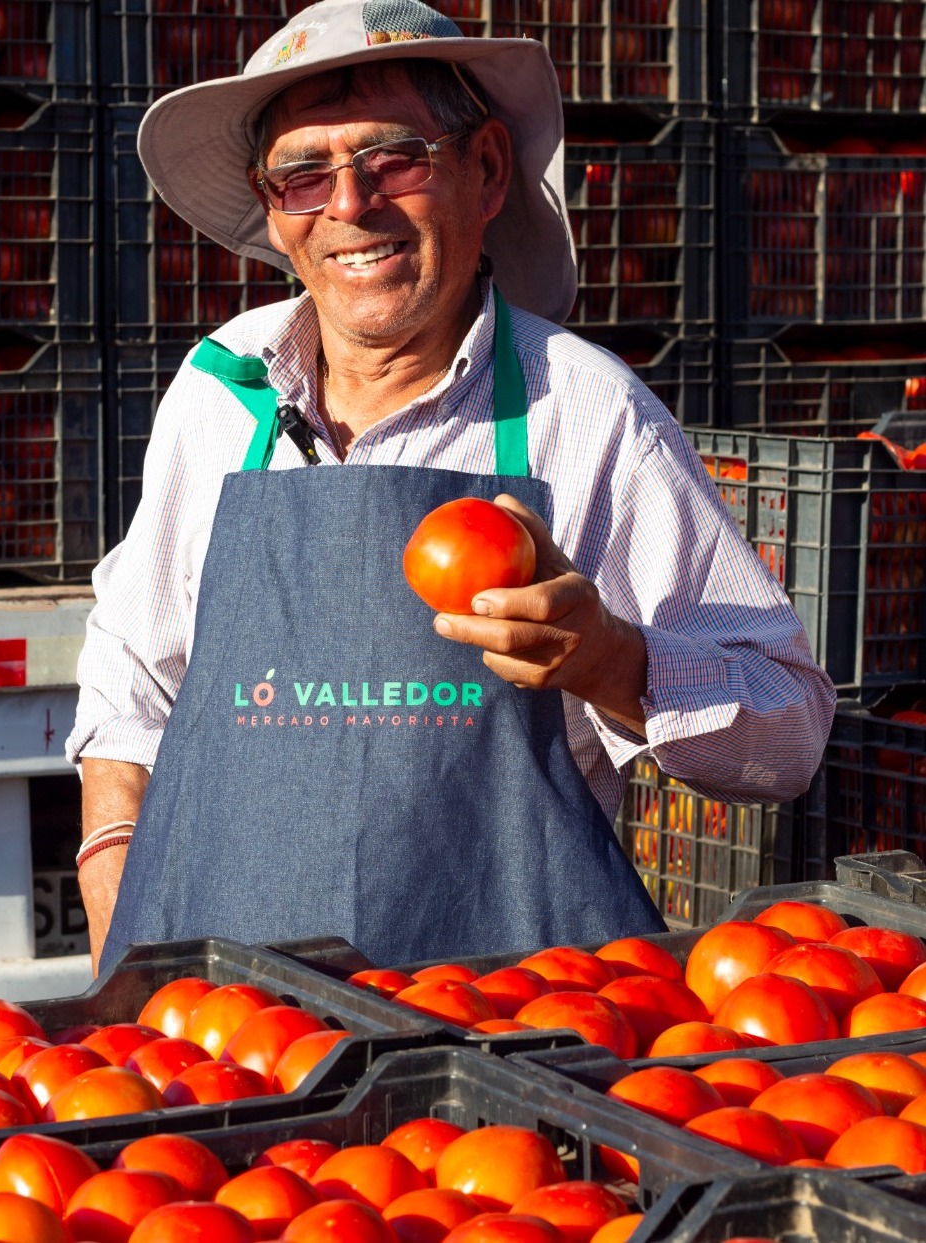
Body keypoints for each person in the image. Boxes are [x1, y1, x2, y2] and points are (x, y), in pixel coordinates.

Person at [68, 0, 836, 976]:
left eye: (394, 159)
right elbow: (135, 660)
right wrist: (111, 865)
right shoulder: (223, 390)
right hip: (230, 1017)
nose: (348, 204)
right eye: (305, 175)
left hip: (500, 1013)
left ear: (482, 171)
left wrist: (610, 661)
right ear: (274, 212)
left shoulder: (585, 413)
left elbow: (789, 733)